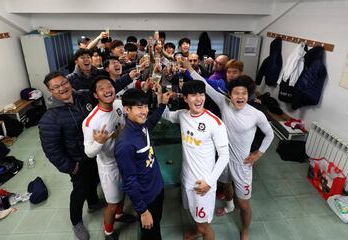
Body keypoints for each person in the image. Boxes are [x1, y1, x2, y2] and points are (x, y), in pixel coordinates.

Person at [186, 62, 274, 240]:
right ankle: (228, 205)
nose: (240, 96)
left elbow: (270, 134)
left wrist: (258, 154)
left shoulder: (256, 114)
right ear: (230, 94)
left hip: (243, 164)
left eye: (244, 93)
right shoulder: (224, 103)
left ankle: (245, 229)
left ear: (248, 95)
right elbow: (205, 83)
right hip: (224, 159)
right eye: (236, 93)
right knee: (225, 185)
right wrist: (189, 67)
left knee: (244, 205)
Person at [39, 72, 104, 240]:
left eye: (64, 83)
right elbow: (51, 149)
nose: (62, 88)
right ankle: (76, 222)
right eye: (56, 87)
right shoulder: (50, 117)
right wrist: (70, 166)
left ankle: (94, 203)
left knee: (94, 179)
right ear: (50, 91)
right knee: (79, 190)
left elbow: (105, 91)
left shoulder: (83, 96)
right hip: (76, 160)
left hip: (93, 152)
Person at [161, 81, 229, 240]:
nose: (198, 99)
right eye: (193, 95)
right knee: (194, 214)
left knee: (205, 226)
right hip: (186, 178)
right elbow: (165, 115)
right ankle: (197, 230)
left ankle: (201, 231)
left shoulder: (215, 123)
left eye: (201, 94)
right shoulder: (183, 115)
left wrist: (210, 182)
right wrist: (161, 99)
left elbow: (225, 156)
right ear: (185, 98)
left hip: (203, 184)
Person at [82, 76, 136, 240]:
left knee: (123, 192)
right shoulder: (90, 122)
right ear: (96, 95)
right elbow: (89, 152)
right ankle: (108, 232)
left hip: (125, 160)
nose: (108, 90)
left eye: (110, 86)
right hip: (109, 166)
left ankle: (120, 215)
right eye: (102, 88)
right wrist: (99, 142)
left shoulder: (119, 104)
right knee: (112, 203)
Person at [114, 88, 171, 240]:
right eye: (139, 107)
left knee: (156, 224)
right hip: (147, 197)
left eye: (145, 106)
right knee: (150, 234)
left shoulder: (141, 125)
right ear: (127, 109)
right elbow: (130, 182)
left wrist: (162, 105)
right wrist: (143, 211)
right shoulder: (125, 144)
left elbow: (151, 121)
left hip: (157, 187)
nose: (144, 111)